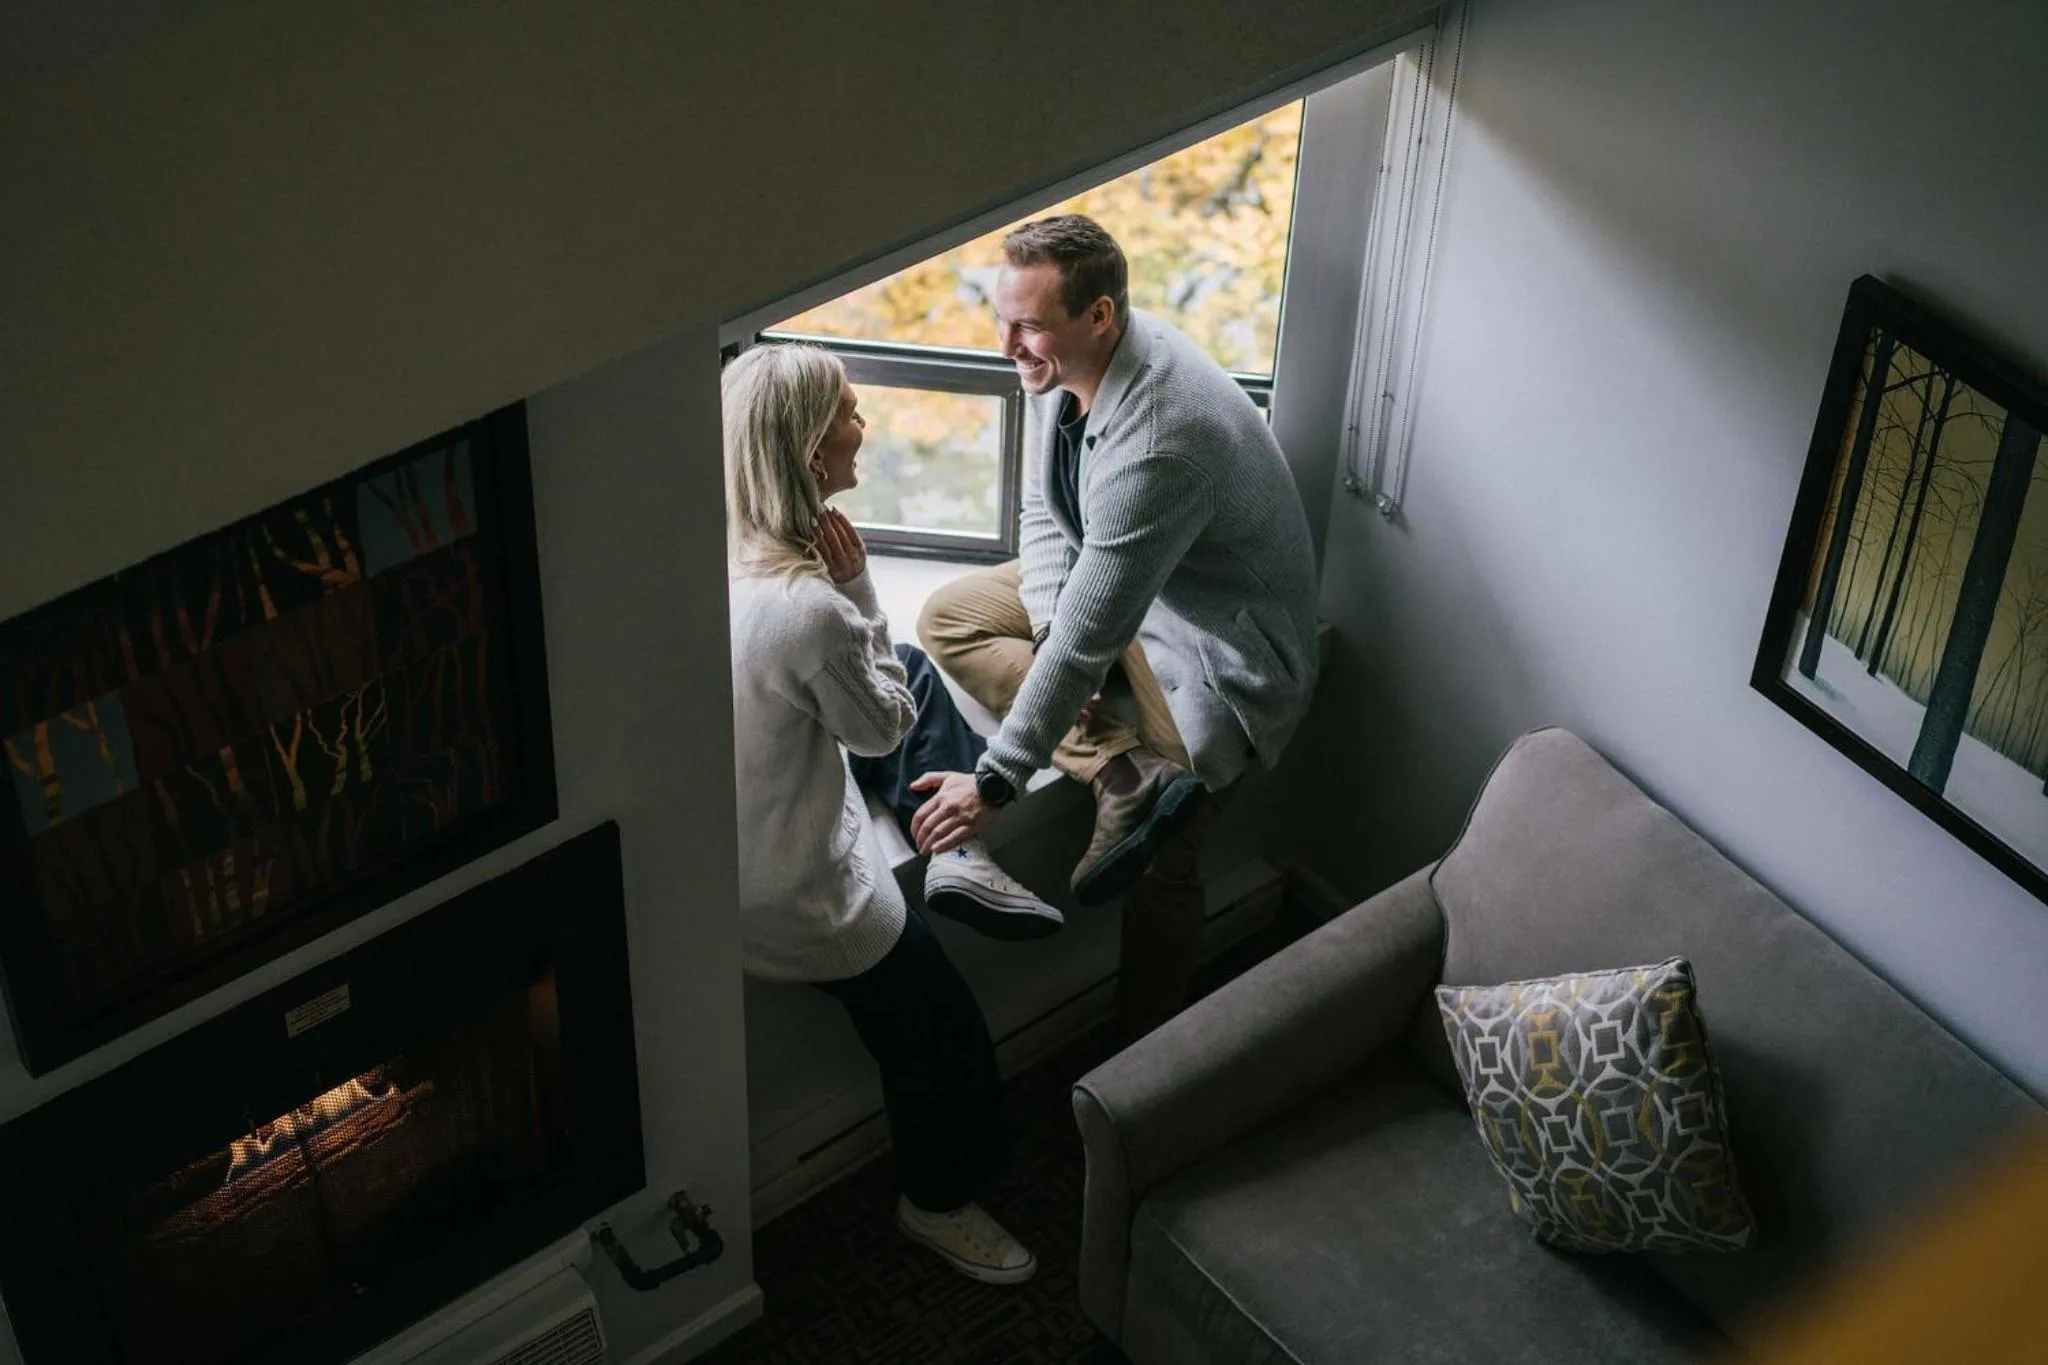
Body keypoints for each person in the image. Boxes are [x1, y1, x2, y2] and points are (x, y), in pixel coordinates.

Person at [909, 214, 1320, 1042]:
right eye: (1002, 319)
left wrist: (994, 783)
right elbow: (1045, 513)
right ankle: (1121, 775)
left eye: (1027, 326)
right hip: (1133, 590)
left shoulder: (1162, 439)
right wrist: (1055, 615)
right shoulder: (1066, 366)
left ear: (1100, 315)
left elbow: (1087, 642)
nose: (1007, 345)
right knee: (945, 615)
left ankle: (1148, 1061)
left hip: (1216, 650)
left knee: (1167, 866)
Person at [722, 341, 1058, 1284]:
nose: (862, 429)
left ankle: (950, 854)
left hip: (739, 841)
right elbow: (877, 734)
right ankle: (938, 1199)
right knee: (941, 1038)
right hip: (807, 897)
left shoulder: (718, 559)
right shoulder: (806, 608)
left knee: (905, 661)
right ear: (804, 449)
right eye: (848, 416)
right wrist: (860, 587)